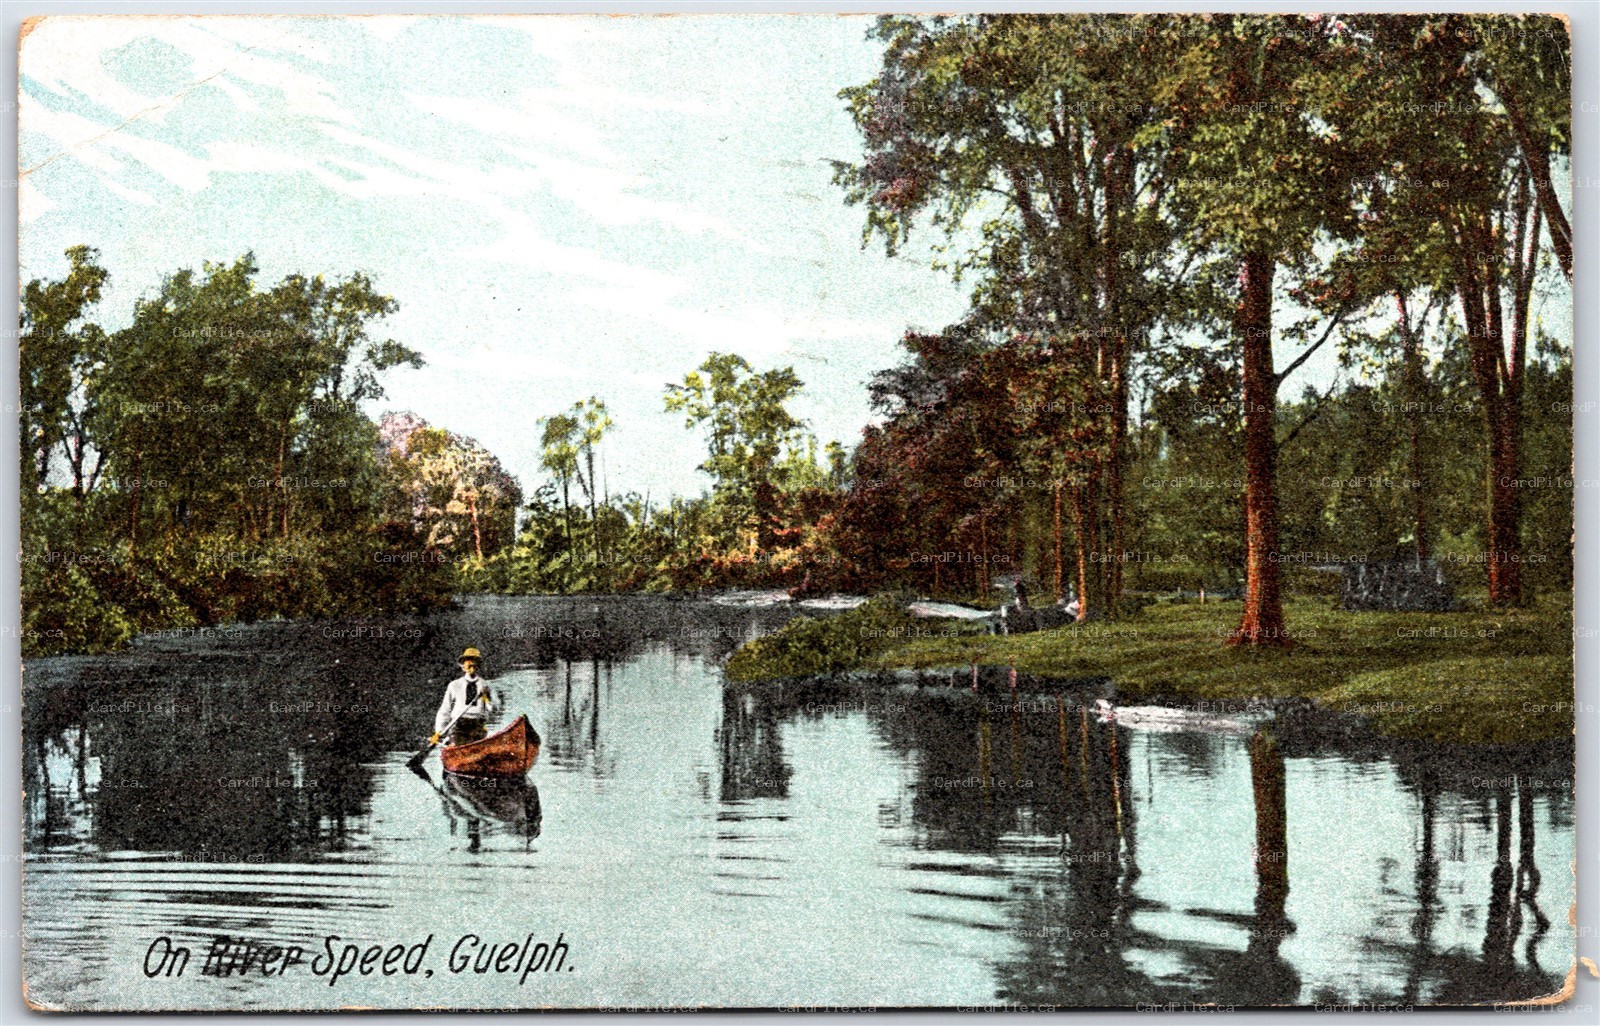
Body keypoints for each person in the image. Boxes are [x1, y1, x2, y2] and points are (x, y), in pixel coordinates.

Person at [432, 647, 498, 746]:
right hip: (458, 726)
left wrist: (486, 698)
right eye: (468, 664)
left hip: (478, 725)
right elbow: (445, 709)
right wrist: (438, 731)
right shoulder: (454, 685)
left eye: (474, 664)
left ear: (478, 666)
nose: (471, 666)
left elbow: (494, 709)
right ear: (463, 666)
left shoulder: (486, 685)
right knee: (457, 744)